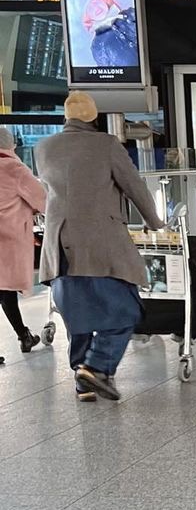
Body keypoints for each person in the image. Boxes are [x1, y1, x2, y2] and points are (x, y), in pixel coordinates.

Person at [35, 91, 164, 402]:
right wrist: (155, 221)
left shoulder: (43, 148)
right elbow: (134, 186)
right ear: (93, 116)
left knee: (77, 313)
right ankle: (97, 367)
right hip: (100, 243)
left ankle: (82, 383)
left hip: (59, 247)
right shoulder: (106, 144)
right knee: (126, 312)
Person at [0, 126, 45, 363]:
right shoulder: (14, 168)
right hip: (8, 239)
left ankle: (24, 334)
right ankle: (23, 335)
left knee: (4, 290)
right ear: (10, 145)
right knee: (6, 289)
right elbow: (41, 197)